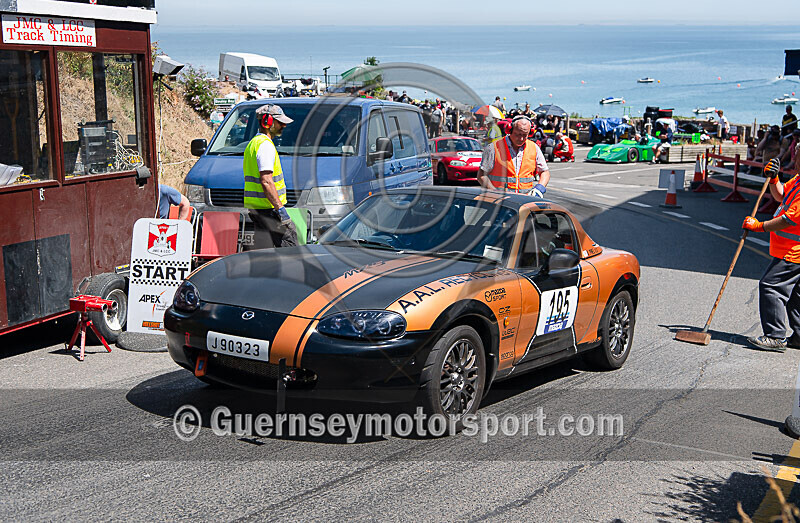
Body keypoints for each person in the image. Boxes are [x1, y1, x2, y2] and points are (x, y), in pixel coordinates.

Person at [742, 157, 800, 352]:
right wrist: (774, 179)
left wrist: (759, 226)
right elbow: (781, 196)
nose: (794, 160)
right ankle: (799, 336)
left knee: (771, 286)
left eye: (797, 156)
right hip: (790, 250)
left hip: (794, 253)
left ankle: (775, 335)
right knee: (794, 295)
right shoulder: (798, 179)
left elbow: (787, 220)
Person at [243, 104, 298, 249]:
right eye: (280, 122)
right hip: (270, 211)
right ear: (267, 121)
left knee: (264, 252)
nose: (284, 126)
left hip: (258, 210)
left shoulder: (253, 144)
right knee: (290, 246)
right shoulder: (265, 146)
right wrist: (279, 208)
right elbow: (266, 181)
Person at [477, 115, 550, 197]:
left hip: (525, 200)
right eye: (517, 134)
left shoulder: (534, 148)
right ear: (509, 130)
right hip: (499, 203)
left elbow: (544, 172)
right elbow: (482, 175)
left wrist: (539, 189)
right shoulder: (493, 148)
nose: (521, 138)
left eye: (525, 135)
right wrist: (494, 193)